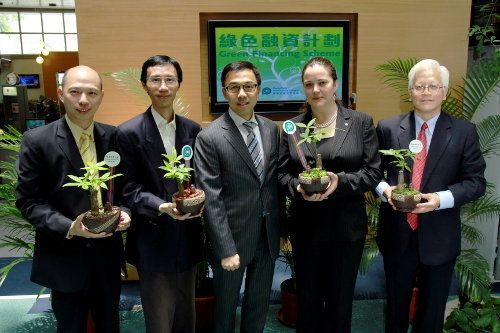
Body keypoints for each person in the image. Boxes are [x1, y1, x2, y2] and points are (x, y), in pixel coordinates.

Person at [16, 65, 131, 333]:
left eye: (91, 93)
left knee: (109, 325)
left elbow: (123, 190)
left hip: (107, 259)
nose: (83, 100)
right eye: (75, 92)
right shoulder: (37, 141)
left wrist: (125, 212)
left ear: (101, 96)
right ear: (60, 94)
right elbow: (29, 202)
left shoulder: (113, 137)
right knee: (70, 327)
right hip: (64, 258)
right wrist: (70, 227)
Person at [375, 59, 486, 333]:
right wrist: (385, 190)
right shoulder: (388, 128)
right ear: (410, 92)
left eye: (433, 86)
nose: (426, 92)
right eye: (419, 86)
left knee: (431, 313)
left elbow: (476, 183)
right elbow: (372, 172)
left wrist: (440, 199)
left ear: (444, 92)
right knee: (395, 309)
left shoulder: (464, 132)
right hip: (397, 234)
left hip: (440, 237)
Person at [278, 56, 381, 333]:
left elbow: (373, 173)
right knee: (308, 302)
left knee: (339, 303)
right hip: (307, 229)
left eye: (322, 82)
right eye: (309, 84)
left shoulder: (360, 122)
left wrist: (339, 181)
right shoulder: (294, 128)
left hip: (346, 230)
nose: (316, 90)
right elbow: (282, 176)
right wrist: (298, 188)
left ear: (335, 84)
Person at [116, 55, 203, 333]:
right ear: (144, 85)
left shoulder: (192, 130)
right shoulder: (128, 133)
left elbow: (198, 177)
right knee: (159, 320)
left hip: (187, 236)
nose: (163, 86)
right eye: (156, 80)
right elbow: (127, 189)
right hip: (152, 236)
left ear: (179, 84)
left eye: (170, 80)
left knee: (186, 315)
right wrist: (162, 206)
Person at [194, 61, 282, 333]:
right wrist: (225, 248)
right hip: (231, 240)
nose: (242, 93)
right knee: (225, 310)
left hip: (267, 236)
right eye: (234, 87)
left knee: (258, 306)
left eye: (248, 86)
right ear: (224, 91)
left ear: (258, 89)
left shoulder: (270, 129)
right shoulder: (209, 137)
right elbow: (211, 196)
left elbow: (271, 183)